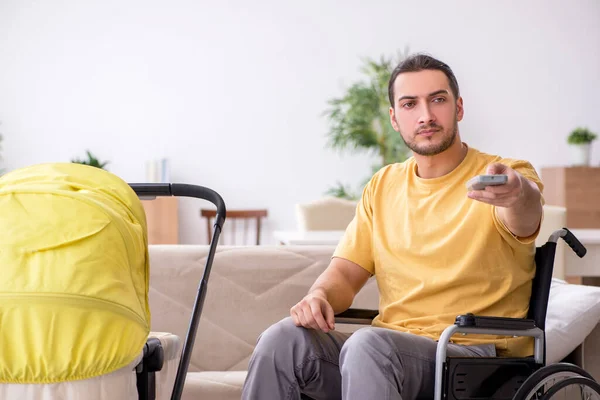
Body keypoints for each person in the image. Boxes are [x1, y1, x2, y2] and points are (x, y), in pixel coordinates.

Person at [241, 53, 544, 400]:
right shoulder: (383, 185)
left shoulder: (503, 174)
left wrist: (517, 194)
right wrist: (319, 295)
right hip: (383, 357)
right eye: (410, 104)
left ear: (458, 108)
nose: (426, 115)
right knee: (283, 341)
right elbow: (344, 274)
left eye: (438, 100)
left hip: (473, 360)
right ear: (395, 118)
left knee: (369, 346)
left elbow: (525, 214)